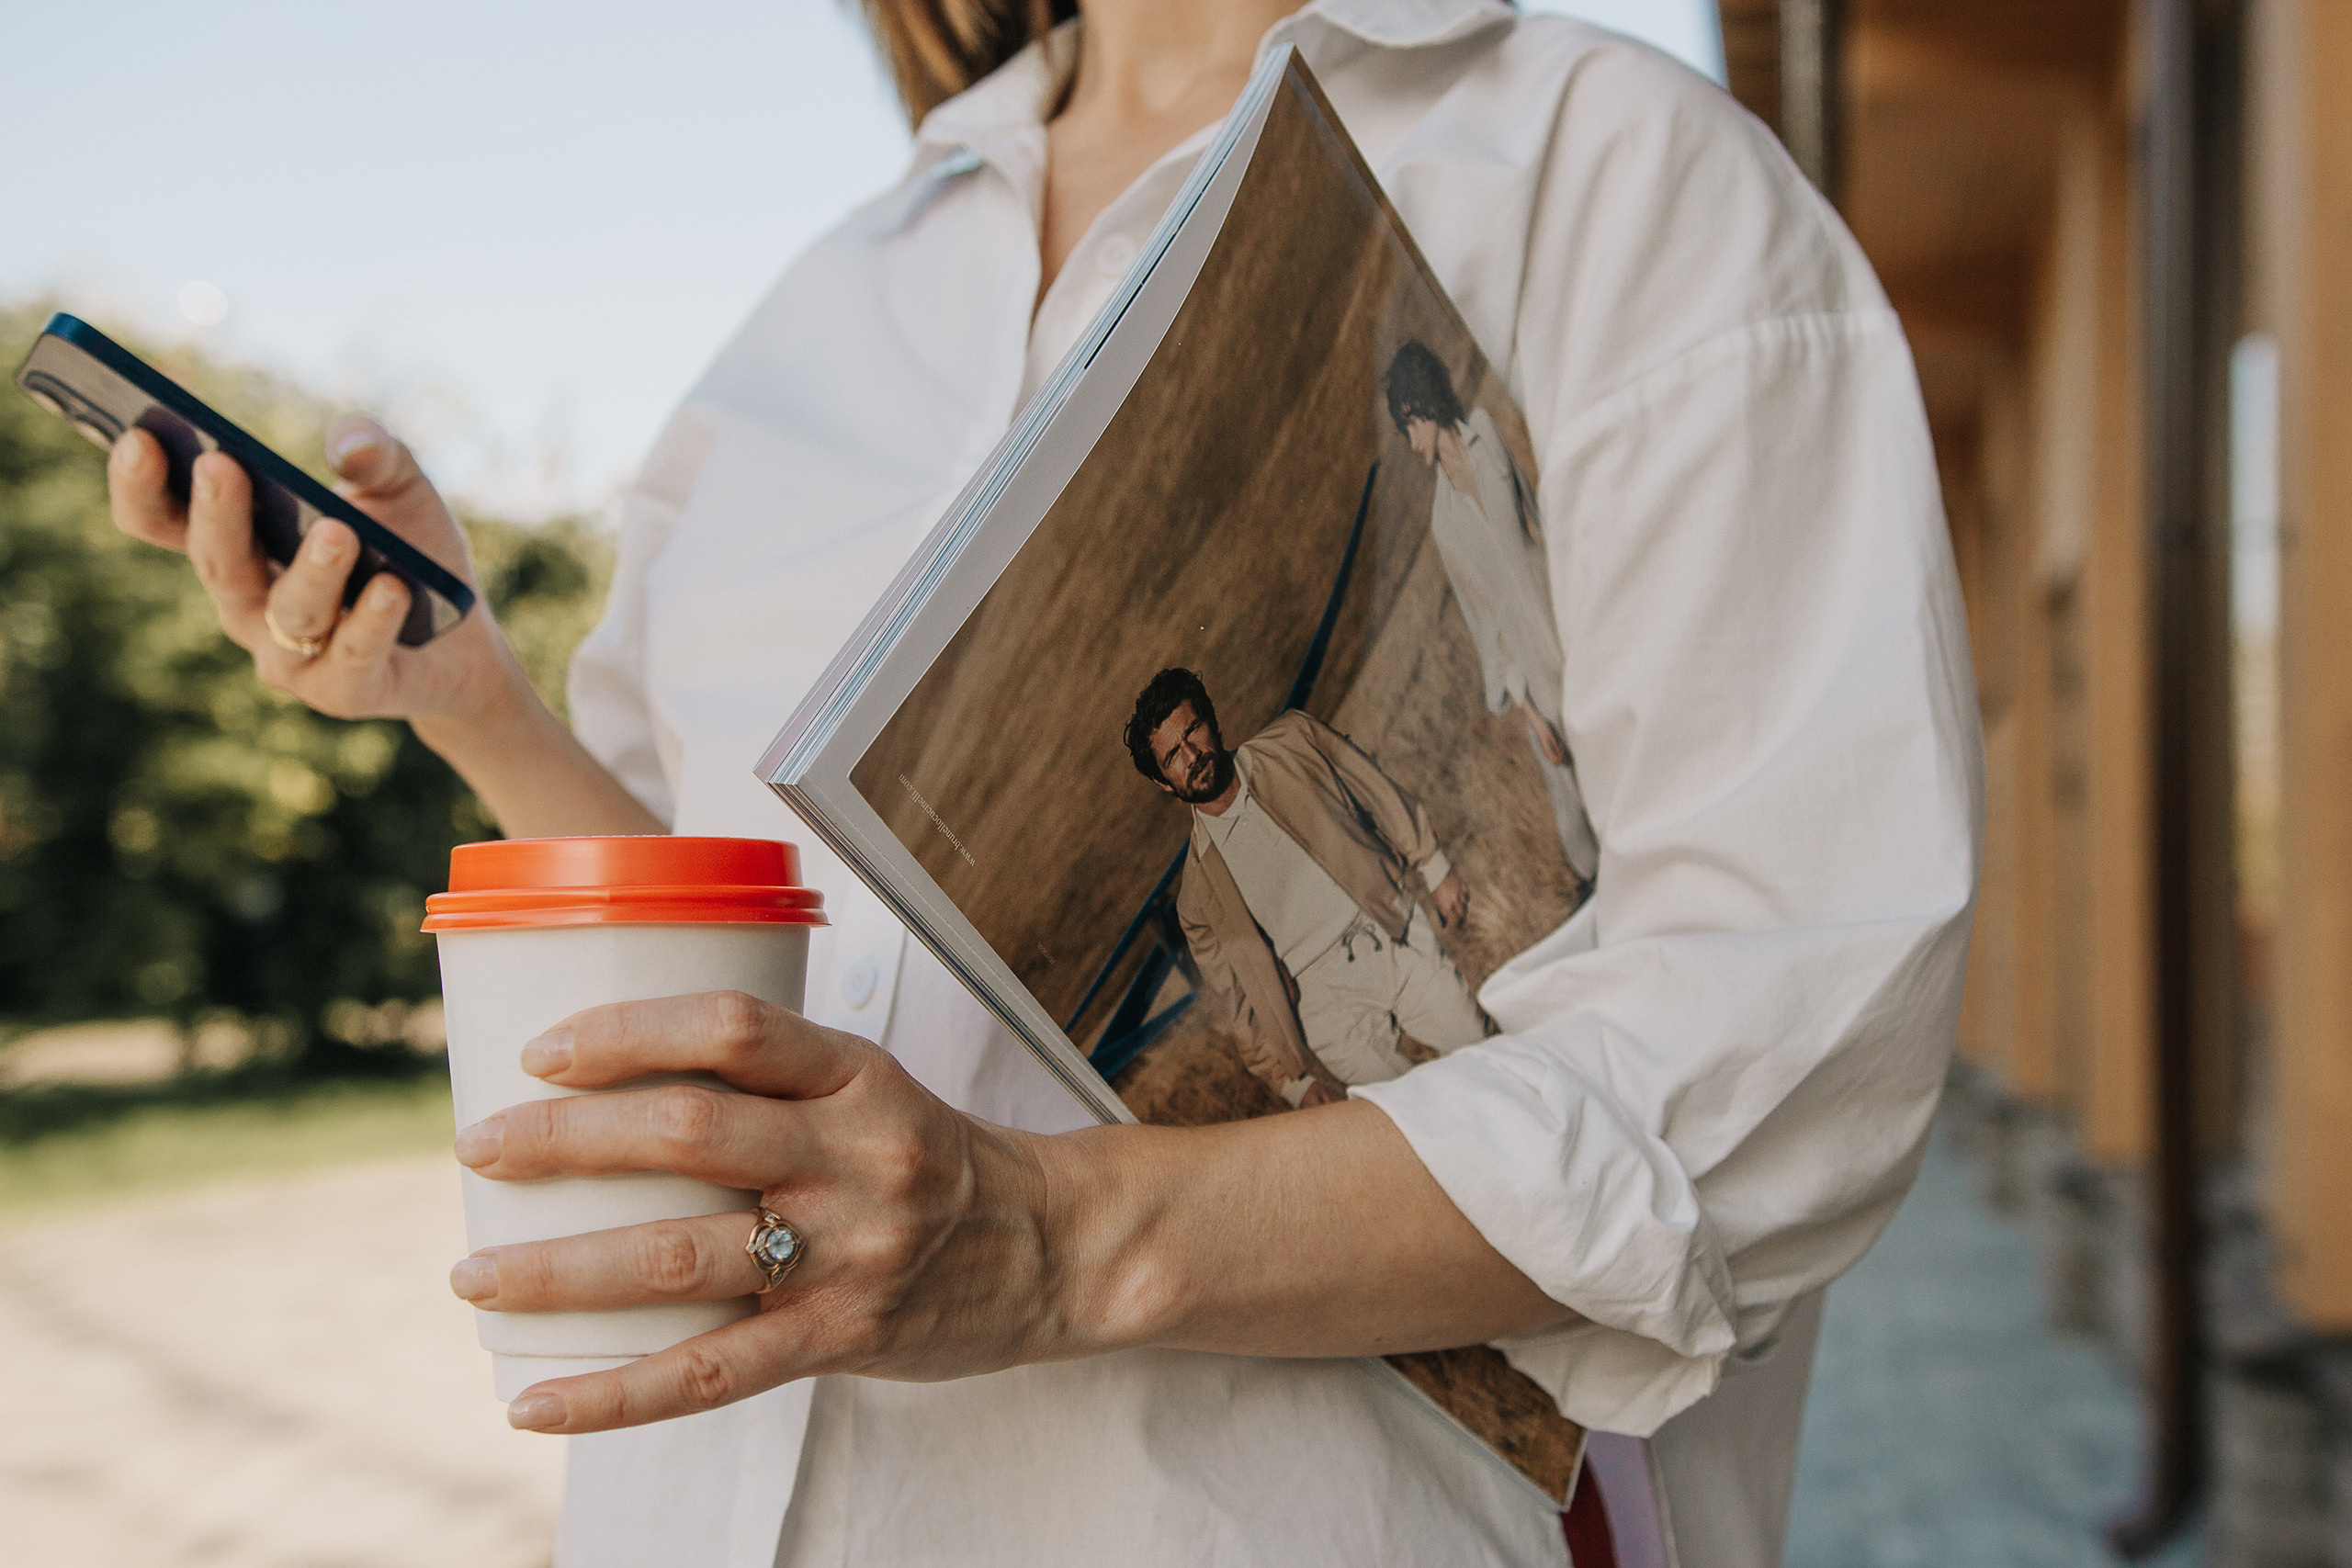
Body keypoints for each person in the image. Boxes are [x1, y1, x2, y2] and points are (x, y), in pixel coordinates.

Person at [103, 2, 1982, 1564]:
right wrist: (475, 703)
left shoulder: (1605, 179)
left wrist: (1052, 1234)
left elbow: (1782, 1038)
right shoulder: (826, 307)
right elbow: (751, 974)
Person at [1124, 668, 1486, 1106]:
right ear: (1164, 781)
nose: (1191, 755)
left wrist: (1434, 865)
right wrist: (1292, 1083)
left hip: (1388, 931)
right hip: (1324, 1008)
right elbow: (1238, 1005)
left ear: (1211, 722)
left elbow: (1373, 790)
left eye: (1193, 730)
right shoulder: (1197, 899)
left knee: (1486, 1053)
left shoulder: (1293, 742)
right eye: (1172, 756)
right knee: (1411, 1117)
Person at [1385, 339, 1600, 882]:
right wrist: (1530, 713)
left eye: (1410, 425)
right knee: (1578, 813)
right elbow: (1487, 628)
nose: (1411, 443)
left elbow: (1538, 527)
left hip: (1573, 632)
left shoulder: (1487, 435)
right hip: (1536, 680)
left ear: (1426, 407)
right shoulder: (1443, 523)